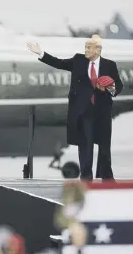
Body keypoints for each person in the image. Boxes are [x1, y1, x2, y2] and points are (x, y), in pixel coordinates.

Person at [27, 35, 123, 180]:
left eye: (88, 48)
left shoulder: (110, 65)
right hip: (84, 111)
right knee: (86, 146)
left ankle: (107, 177)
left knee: (104, 146)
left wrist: (111, 87)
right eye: (85, 47)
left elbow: (118, 87)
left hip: (102, 111)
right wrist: (41, 53)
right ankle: (86, 177)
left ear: (98, 50)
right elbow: (59, 63)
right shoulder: (78, 60)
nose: (85, 50)